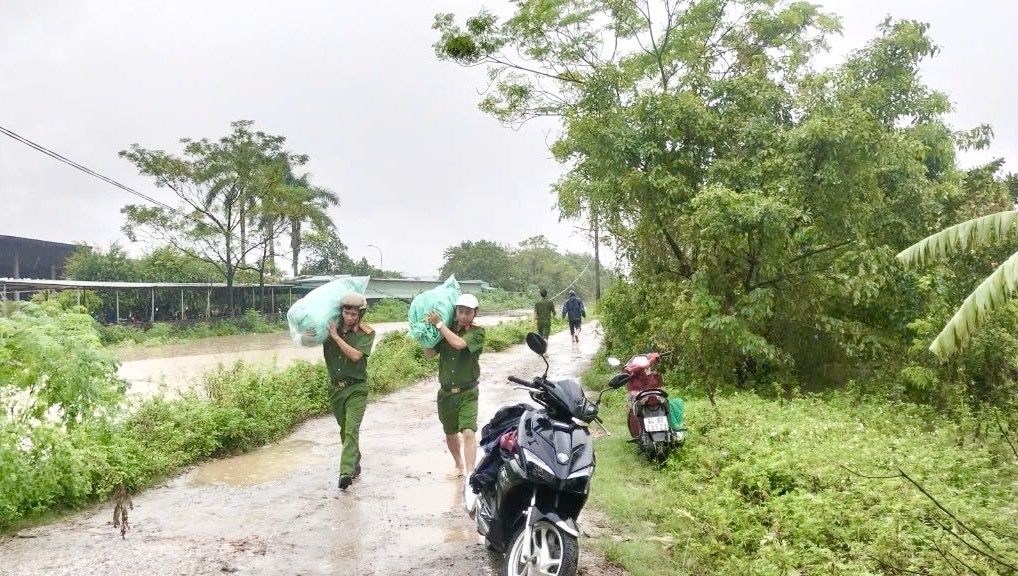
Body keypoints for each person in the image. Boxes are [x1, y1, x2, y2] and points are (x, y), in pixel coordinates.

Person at [306, 292, 375, 491]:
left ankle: (345, 473)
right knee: (344, 430)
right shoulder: (328, 329)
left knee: (351, 429)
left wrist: (336, 338)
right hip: (336, 389)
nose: (350, 317)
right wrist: (309, 333)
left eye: (355, 314)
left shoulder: (366, 333)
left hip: (357, 389)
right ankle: (355, 461)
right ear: (341, 312)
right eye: (347, 312)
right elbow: (309, 339)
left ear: (360, 315)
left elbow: (355, 356)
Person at [424, 293, 486, 480]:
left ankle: (470, 473)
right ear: (455, 311)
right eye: (460, 311)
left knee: (468, 431)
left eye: (468, 312)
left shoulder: (477, 332)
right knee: (450, 433)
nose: (464, 316)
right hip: (446, 394)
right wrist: (423, 334)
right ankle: (458, 464)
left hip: (468, 392)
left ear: (475, 313)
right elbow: (429, 354)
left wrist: (439, 325)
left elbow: (459, 344)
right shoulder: (446, 331)